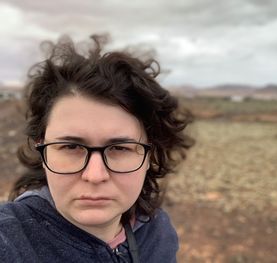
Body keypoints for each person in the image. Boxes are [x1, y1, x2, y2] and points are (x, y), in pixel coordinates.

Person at [0, 35, 193, 263]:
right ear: (41, 150)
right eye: (71, 146)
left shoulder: (157, 232)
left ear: (150, 154)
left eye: (120, 148)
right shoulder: (10, 240)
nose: (95, 175)